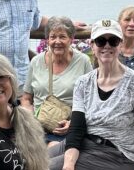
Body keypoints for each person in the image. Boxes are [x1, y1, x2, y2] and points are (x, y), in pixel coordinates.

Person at [47, 19, 134, 170]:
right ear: (92, 45)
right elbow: (76, 130)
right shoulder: (84, 83)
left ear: (120, 45)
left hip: (118, 156)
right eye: (101, 41)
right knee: (33, 164)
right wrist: (68, 166)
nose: (107, 46)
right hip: (85, 145)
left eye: (113, 41)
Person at [20, 16, 92, 146]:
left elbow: (91, 101)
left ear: (71, 39)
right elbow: (26, 99)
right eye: (53, 37)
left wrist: (73, 123)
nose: (57, 41)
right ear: (47, 40)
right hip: (38, 130)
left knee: (49, 154)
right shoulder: (36, 62)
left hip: (67, 130)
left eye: (62, 37)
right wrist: (30, 119)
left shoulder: (83, 61)